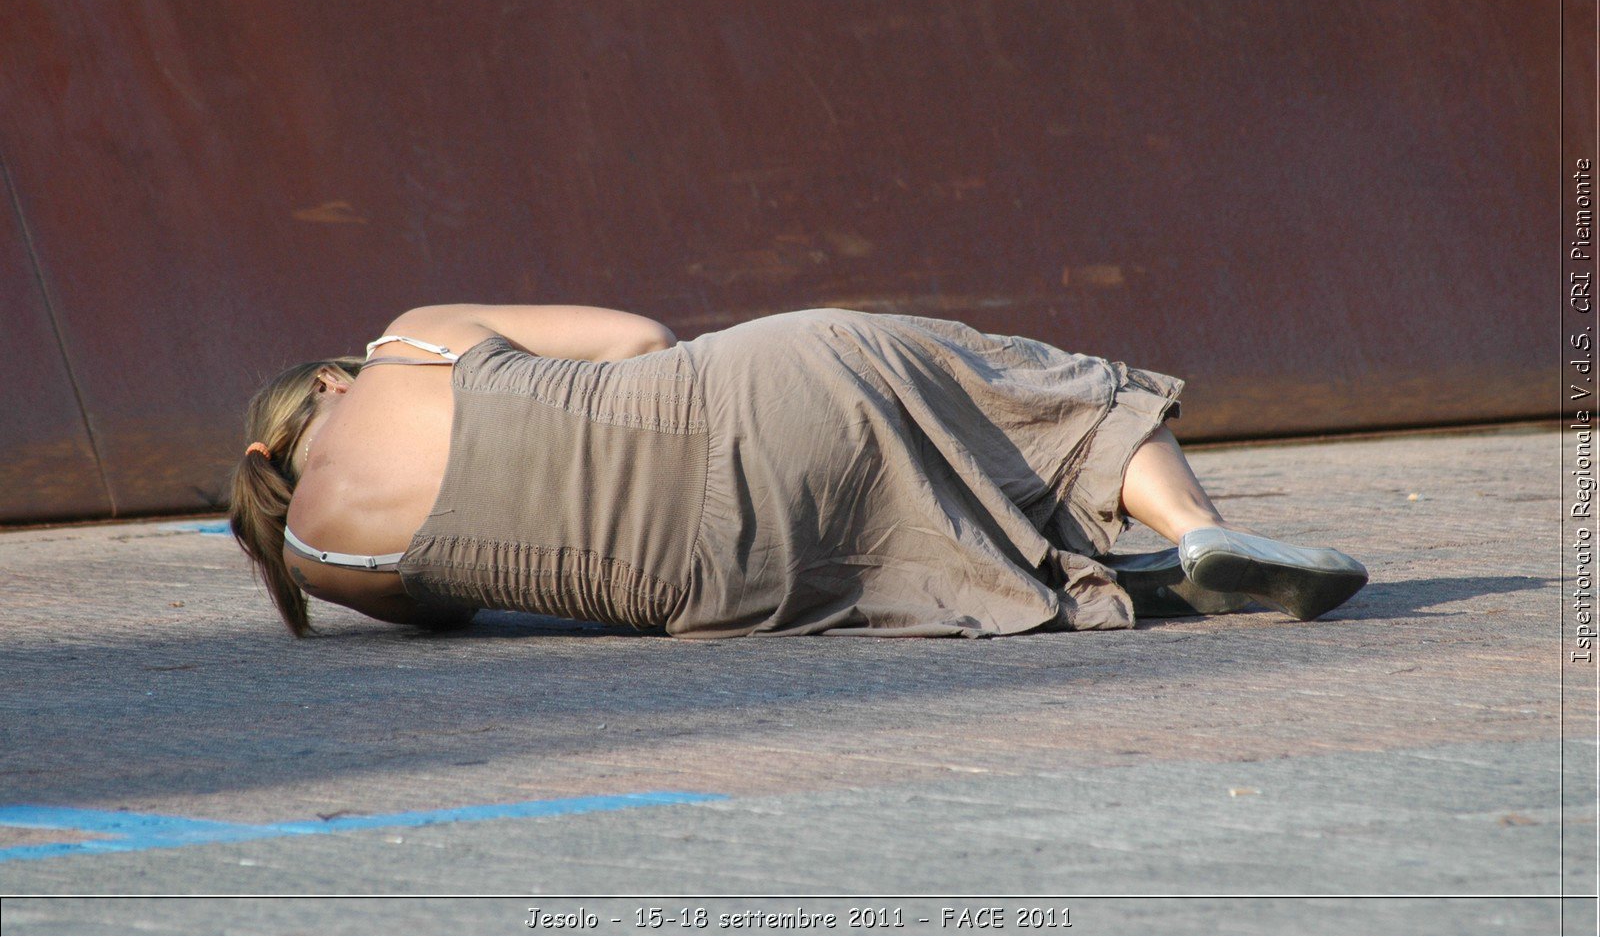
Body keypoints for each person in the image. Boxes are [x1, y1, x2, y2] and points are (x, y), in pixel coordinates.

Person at [228, 304, 1368, 638]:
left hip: (725, 584)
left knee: (903, 543)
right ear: (330, 383)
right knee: (1032, 389)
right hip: (752, 388)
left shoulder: (330, 564)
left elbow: (472, 594)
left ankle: (1082, 575)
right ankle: (1195, 525)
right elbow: (635, 336)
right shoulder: (408, 342)